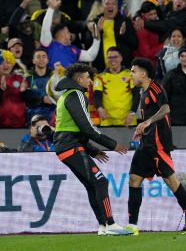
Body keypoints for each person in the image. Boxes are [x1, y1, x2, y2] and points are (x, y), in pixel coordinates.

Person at [126, 57, 186, 235]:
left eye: (133, 71)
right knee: (134, 180)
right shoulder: (141, 92)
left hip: (158, 145)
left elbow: (166, 108)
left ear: (143, 73)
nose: (131, 74)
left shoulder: (155, 88)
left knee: (172, 181)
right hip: (146, 143)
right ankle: (132, 226)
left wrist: (148, 122)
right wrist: (142, 128)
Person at [53, 63, 131, 236]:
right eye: (88, 78)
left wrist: (92, 151)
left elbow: (74, 130)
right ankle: (110, 224)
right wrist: (112, 144)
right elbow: (87, 128)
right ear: (79, 79)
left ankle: (103, 226)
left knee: (92, 185)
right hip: (71, 147)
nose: (90, 81)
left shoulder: (65, 96)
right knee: (100, 182)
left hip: (66, 147)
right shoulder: (77, 95)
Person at [93, 47, 140, 127]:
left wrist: (132, 113)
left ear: (121, 58)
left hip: (128, 120)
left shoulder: (130, 75)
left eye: (115, 57)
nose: (113, 60)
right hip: (107, 121)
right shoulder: (100, 77)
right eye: (110, 57)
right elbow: (96, 97)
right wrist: (99, 109)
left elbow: (137, 96)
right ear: (107, 59)